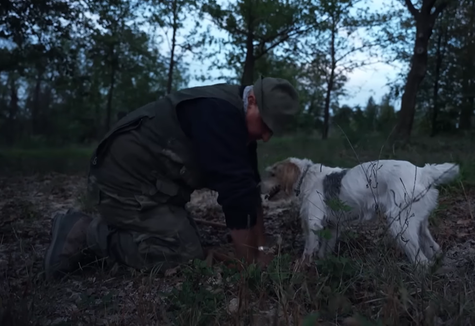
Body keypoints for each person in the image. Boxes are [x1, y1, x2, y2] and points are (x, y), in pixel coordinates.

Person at [44, 77, 300, 280]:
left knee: (186, 238)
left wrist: (261, 250)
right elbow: (235, 198)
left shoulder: (240, 120)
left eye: (272, 132)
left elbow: (248, 191)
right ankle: (86, 231)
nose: (266, 137)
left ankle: (140, 225)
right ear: (252, 101)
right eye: (265, 126)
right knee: (183, 254)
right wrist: (251, 269)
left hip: (156, 189)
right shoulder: (218, 114)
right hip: (121, 183)